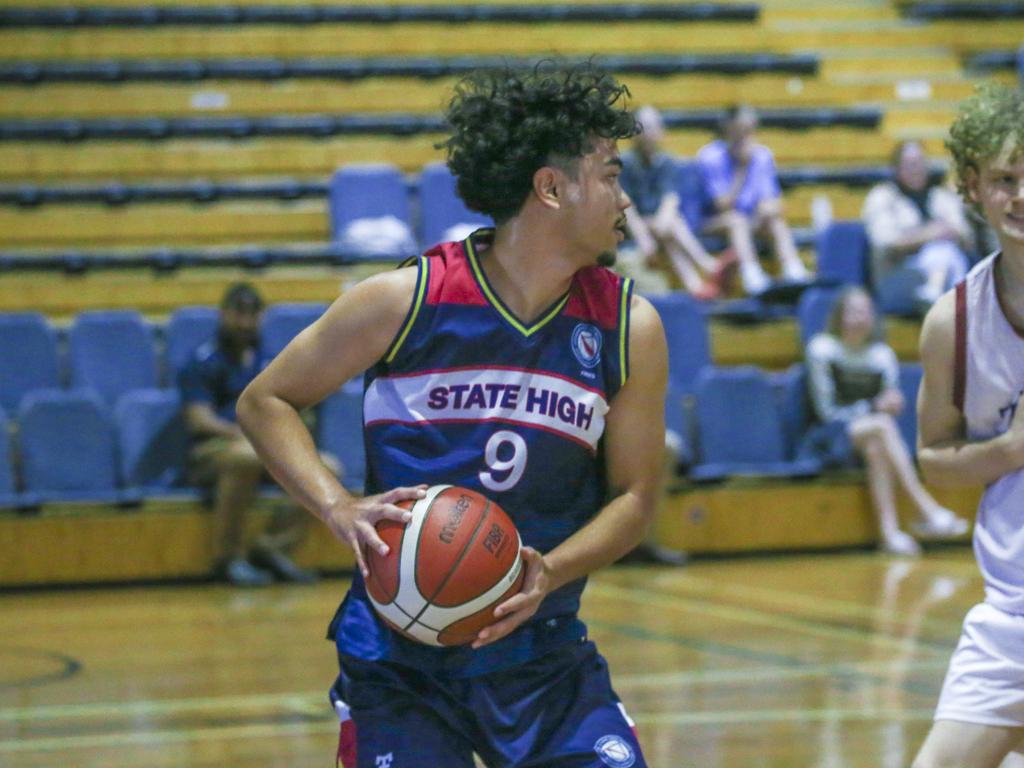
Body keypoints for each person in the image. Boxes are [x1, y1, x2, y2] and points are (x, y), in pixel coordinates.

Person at [236, 63, 666, 767]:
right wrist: (338, 506)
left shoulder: (628, 326)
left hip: (544, 659)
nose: (626, 200)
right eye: (612, 176)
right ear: (551, 188)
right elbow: (265, 400)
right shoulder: (404, 300)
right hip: (399, 669)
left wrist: (548, 572)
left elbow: (636, 498)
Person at [912, 81, 1024, 768]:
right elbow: (933, 458)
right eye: (1006, 178)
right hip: (1011, 616)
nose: (1021, 196)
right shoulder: (952, 322)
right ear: (972, 187)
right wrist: (1011, 449)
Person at [801, 286, 968, 556]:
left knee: (876, 447)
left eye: (866, 311)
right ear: (839, 316)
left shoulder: (882, 355)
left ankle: (889, 534)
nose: (860, 317)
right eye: (853, 311)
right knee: (880, 426)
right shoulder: (822, 350)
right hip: (830, 435)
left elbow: (887, 405)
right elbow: (826, 412)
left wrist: (893, 404)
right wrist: (872, 407)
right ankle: (926, 509)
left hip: (872, 434)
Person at [178, 283, 322, 587]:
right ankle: (227, 559)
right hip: (213, 451)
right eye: (237, 314)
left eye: (251, 315)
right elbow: (199, 421)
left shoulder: (270, 361)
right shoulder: (202, 361)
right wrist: (251, 437)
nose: (244, 323)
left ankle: (271, 550)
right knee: (246, 457)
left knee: (325, 467)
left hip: (263, 449)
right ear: (223, 315)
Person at [696, 104, 811, 295]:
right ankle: (751, 274)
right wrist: (742, 169)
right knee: (736, 220)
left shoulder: (763, 156)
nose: (746, 136)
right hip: (713, 222)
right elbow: (722, 205)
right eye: (741, 131)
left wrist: (768, 209)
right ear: (728, 130)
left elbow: (773, 200)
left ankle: (793, 268)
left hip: (752, 220)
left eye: (749, 130)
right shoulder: (710, 156)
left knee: (774, 219)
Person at [620, 105, 732, 299]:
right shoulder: (624, 164)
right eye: (644, 127)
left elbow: (670, 200)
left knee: (671, 227)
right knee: (672, 225)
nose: (650, 132)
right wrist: (644, 240)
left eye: (654, 126)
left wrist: (662, 225)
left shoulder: (669, 163)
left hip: (661, 228)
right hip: (631, 228)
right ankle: (707, 264)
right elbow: (627, 208)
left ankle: (695, 285)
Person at [862, 140, 973, 315]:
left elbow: (964, 234)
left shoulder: (941, 196)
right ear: (896, 168)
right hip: (896, 277)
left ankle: (935, 294)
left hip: (948, 270)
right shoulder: (882, 197)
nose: (916, 168)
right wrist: (930, 234)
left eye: (920, 162)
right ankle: (956, 311)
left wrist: (948, 233)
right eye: (910, 164)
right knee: (942, 251)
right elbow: (884, 242)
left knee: (949, 254)